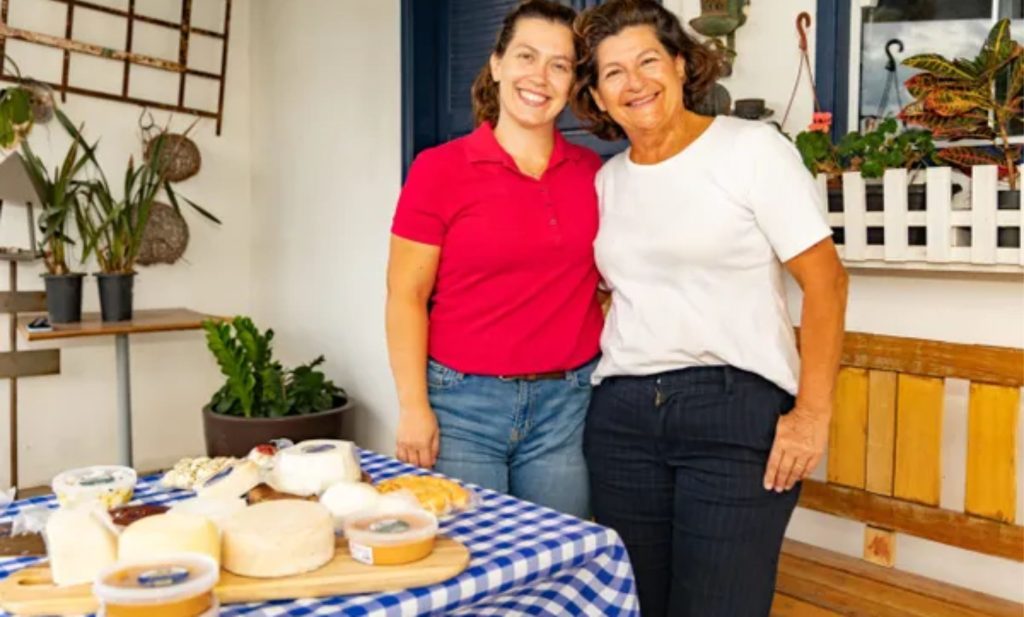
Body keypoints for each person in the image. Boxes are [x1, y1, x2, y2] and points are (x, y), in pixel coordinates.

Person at [571, 1, 849, 614]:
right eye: (612, 72)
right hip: (622, 419)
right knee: (634, 603)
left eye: (648, 60)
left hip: (734, 415)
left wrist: (810, 416)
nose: (634, 83)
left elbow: (826, 283)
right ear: (596, 93)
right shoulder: (606, 181)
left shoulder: (751, 151)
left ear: (678, 63)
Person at [385, 0, 603, 518]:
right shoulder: (438, 169)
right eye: (526, 56)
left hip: (567, 407)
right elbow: (406, 296)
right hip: (463, 407)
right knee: (475, 566)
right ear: (497, 64)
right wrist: (414, 407)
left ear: (573, 83)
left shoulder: (595, 174)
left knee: (556, 562)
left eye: (560, 65)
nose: (540, 77)